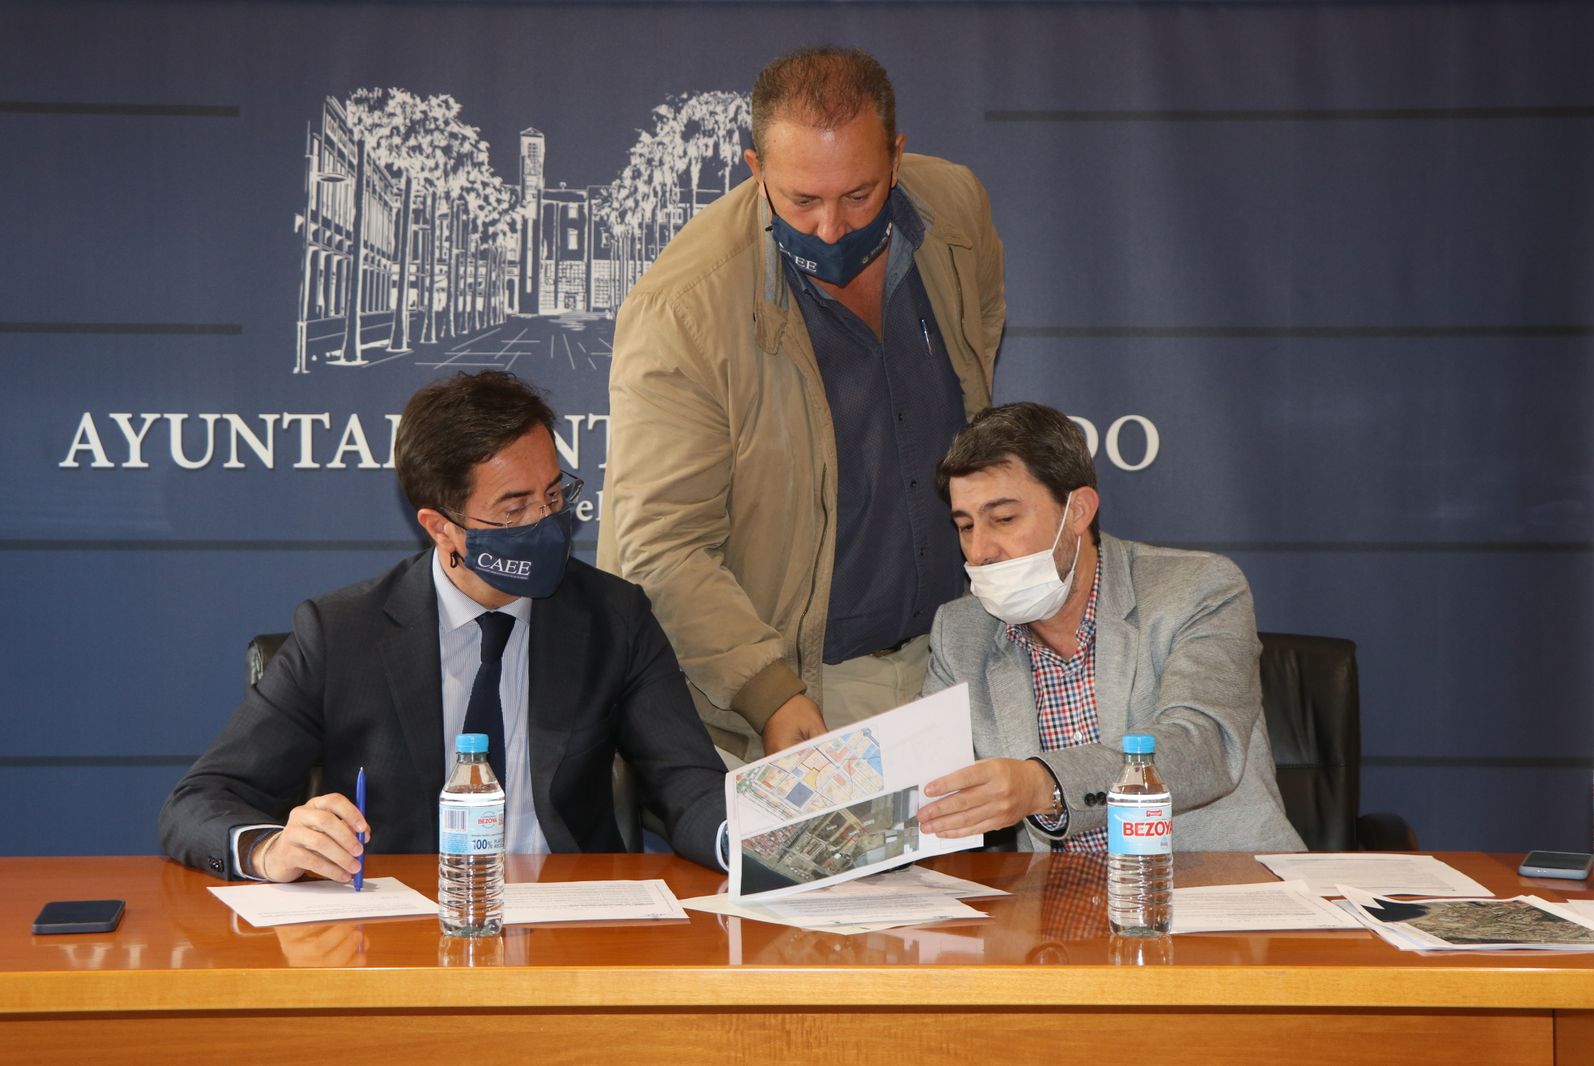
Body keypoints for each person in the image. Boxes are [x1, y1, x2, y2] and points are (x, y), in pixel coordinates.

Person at [598, 46, 1006, 764]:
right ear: (756, 169)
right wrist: (768, 691)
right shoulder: (682, 311)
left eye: (858, 194)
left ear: (898, 157)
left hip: (963, 661)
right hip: (799, 694)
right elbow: (659, 546)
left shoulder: (957, 208)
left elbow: (982, 340)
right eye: (801, 199)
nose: (830, 227)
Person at [161, 371, 728, 881]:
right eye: (514, 508)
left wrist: (754, 843)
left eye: (554, 494)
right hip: (399, 933)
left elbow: (688, 782)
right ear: (440, 528)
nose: (546, 522)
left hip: (572, 927)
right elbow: (198, 804)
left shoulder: (613, 617)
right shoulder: (341, 635)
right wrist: (268, 850)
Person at [917, 403, 1304, 853]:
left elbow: (1202, 747)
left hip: (1214, 887)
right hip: (1059, 902)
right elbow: (926, 778)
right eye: (965, 526)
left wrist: (1045, 784)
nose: (979, 550)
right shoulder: (961, 631)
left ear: (1078, 511)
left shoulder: (1198, 588)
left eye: (1003, 519)